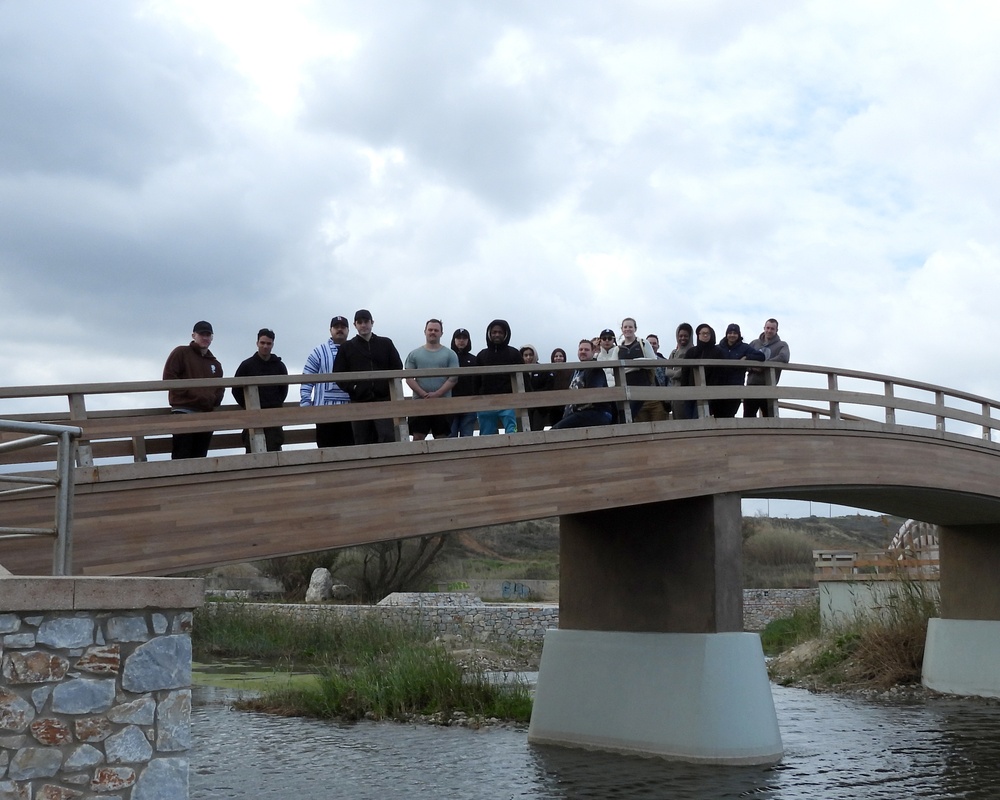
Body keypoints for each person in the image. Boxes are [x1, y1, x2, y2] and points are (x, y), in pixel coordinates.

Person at [333, 309, 404, 445]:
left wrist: (385, 387)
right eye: (360, 322)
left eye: (366, 321)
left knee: (387, 437)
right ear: (355, 325)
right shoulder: (347, 347)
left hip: (383, 400)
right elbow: (338, 374)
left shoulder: (386, 344)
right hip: (359, 401)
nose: (363, 325)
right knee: (362, 440)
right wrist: (354, 388)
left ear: (372, 323)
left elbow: (397, 368)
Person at [163, 320, 224, 459]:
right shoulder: (181, 352)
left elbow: (220, 387)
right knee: (182, 455)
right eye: (201, 334)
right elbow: (169, 377)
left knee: (200, 456)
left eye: (208, 334)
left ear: (212, 337)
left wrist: (213, 399)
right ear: (193, 335)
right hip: (184, 411)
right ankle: (180, 481)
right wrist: (193, 395)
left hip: (206, 414)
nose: (205, 337)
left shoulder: (215, 364)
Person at [300, 316, 354, 448]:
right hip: (324, 410)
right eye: (336, 327)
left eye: (343, 327)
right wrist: (306, 402)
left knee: (350, 450)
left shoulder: (355, 350)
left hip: (350, 409)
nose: (339, 330)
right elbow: (307, 378)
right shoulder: (319, 352)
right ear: (330, 330)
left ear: (348, 330)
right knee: (326, 449)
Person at [233, 328, 288, 452]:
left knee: (274, 448)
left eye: (268, 343)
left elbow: (283, 390)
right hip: (252, 416)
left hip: (273, 416)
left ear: (272, 344)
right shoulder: (246, 365)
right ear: (257, 343)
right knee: (252, 449)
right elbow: (236, 389)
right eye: (262, 343)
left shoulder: (279, 366)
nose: (265, 346)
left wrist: (275, 404)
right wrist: (247, 405)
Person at [404, 319, 459, 441]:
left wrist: (437, 394)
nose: (433, 332)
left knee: (441, 438)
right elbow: (408, 378)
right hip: (419, 402)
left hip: (443, 403)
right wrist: (423, 394)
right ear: (425, 331)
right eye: (430, 330)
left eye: (436, 330)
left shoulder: (450, 354)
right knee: (418, 437)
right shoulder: (414, 354)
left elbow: (454, 377)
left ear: (441, 333)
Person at [551, 340, 614, 429]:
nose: (583, 352)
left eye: (586, 350)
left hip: (596, 413)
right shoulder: (575, 371)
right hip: (578, 414)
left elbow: (594, 395)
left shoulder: (595, 369)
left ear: (593, 352)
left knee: (555, 430)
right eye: (581, 349)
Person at [476, 319, 521, 435]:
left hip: (509, 401)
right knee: (486, 437)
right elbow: (475, 381)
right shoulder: (482, 355)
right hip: (486, 402)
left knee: (512, 434)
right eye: (494, 332)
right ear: (489, 334)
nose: (497, 335)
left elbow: (523, 378)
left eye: (500, 332)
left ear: (505, 334)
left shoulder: (514, 353)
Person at [715, 323, 764, 418]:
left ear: (739, 335)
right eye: (730, 333)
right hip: (719, 386)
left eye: (735, 333)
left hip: (736, 386)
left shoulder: (744, 347)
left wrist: (747, 357)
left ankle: (729, 432)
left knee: (730, 413)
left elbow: (761, 356)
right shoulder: (719, 347)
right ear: (726, 334)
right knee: (717, 414)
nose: (732, 335)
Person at [744, 318, 790, 418]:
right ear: (764, 328)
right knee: (748, 417)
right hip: (752, 385)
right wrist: (752, 367)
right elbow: (744, 359)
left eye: (772, 329)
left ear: (776, 330)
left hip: (769, 386)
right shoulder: (754, 343)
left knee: (770, 417)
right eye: (767, 328)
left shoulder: (782, 345)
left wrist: (764, 366)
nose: (769, 331)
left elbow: (784, 357)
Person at [616, 317, 657, 422]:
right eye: (625, 327)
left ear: (635, 328)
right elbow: (612, 370)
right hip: (624, 387)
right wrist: (634, 366)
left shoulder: (643, 343)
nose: (627, 329)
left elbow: (653, 362)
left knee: (630, 413)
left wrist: (634, 363)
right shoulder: (618, 348)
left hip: (641, 385)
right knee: (623, 415)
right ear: (622, 329)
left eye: (630, 327)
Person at [682, 323, 726, 419]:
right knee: (689, 419)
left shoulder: (718, 352)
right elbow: (685, 372)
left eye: (707, 333)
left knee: (699, 418)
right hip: (690, 392)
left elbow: (721, 374)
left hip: (709, 393)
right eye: (703, 333)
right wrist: (684, 390)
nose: (705, 335)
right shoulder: (691, 352)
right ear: (698, 335)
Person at [449, 328, 479, 437]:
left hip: (469, 403)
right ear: (454, 340)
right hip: (450, 404)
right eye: (458, 338)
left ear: (468, 341)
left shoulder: (475, 359)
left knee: (467, 437)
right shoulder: (447, 358)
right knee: (450, 436)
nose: (461, 341)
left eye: (464, 338)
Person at [635, 332, 668, 423]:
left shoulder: (664, 362)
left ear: (658, 346)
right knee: (642, 431)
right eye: (650, 343)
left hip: (658, 400)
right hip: (641, 400)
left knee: (661, 429)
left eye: (654, 343)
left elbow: (667, 381)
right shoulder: (637, 361)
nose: (652, 346)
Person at [520, 344, 554, 431]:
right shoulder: (519, 372)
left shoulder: (543, 370)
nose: (528, 357)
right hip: (524, 406)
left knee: (536, 430)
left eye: (531, 355)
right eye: (526, 355)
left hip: (540, 407)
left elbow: (549, 386)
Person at [666, 323, 694, 419]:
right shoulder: (674, 353)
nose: (683, 338)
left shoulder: (694, 351)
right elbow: (667, 371)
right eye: (680, 336)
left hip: (690, 389)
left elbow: (690, 369)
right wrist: (677, 374)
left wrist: (682, 372)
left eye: (685, 336)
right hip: (675, 389)